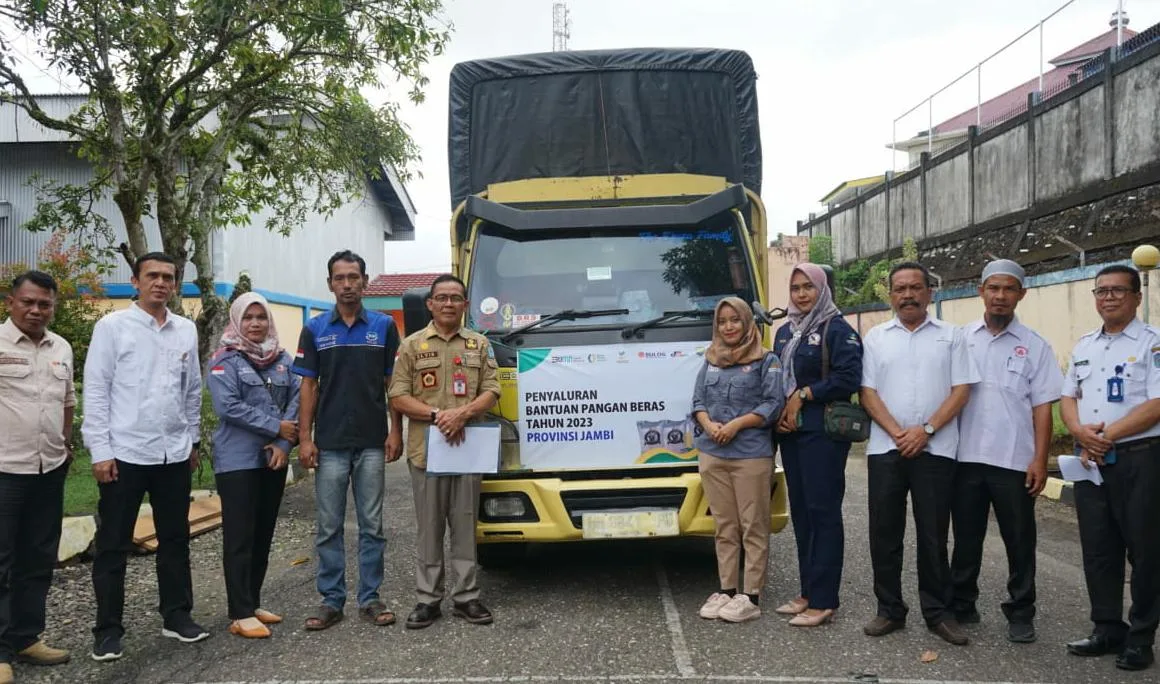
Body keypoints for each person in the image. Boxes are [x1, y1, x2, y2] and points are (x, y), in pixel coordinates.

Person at [82, 252, 208, 662]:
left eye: (167, 277)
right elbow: (97, 391)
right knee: (113, 545)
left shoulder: (185, 330)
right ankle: (108, 631)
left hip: (173, 454)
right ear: (135, 281)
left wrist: (192, 441)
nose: (160, 283)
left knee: (175, 540)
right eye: (151, 276)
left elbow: (191, 390)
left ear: (175, 284)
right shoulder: (113, 327)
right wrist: (100, 451)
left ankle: (176, 616)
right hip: (126, 454)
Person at [859, 261, 978, 646]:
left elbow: (962, 390)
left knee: (933, 534)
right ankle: (889, 610)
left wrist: (925, 431)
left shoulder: (952, 335)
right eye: (900, 289)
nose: (908, 295)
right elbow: (867, 392)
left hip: (936, 449)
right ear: (891, 295)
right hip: (885, 449)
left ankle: (938, 613)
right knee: (884, 533)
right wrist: (898, 433)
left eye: (915, 287)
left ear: (930, 291)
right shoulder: (875, 337)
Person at [950, 259, 1062, 644]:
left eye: (1008, 289)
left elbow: (1043, 406)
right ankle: (962, 603)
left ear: (1021, 294)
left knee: (1020, 540)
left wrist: (1039, 460)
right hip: (965, 458)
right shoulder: (961, 338)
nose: (1000, 296)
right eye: (993, 288)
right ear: (981, 291)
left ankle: (1021, 610)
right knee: (966, 537)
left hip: (1014, 460)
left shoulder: (1035, 346)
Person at [292, 250, 402, 631]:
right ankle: (331, 600)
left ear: (365, 281)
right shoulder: (316, 329)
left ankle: (370, 598)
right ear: (330, 284)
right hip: (331, 443)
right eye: (339, 278)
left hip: (372, 441)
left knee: (372, 526)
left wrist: (396, 430)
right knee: (328, 526)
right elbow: (308, 387)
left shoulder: (385, 327)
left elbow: (394, 385)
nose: (347, 284)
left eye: (354, 277)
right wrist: (305, 439)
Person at [1061, 264, 1160, 672]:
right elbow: (1068, 398)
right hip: (1092, 462)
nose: (1109, 297)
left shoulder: (1153, 343)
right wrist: (1081, 435)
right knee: (1099, 552)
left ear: (1136, 297)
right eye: (1101, 291)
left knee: (1146, 551)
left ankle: (1140, 638)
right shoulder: (1084, 345)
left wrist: (1106, 436)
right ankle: (1106, 628)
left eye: (1118, 291)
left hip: (1139, 459)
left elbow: (1156, 403)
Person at [388, 274, 501, 629]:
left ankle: (467, 597)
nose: (449, 303)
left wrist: (463, 414)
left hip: (468, 450)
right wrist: (439, 416)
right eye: (442, 298)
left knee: (465, 526)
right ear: (430, 304)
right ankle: (428, 600)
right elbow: (398, 395)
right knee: (429, 528)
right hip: (427, 452)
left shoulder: (480, 345)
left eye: (456, 298)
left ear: (465, 305)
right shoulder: (411, 346)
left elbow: (492, 389)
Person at [772, 264, 862, 627]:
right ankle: (808, 590)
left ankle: (824, 600)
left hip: (823, 432)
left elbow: (849, 377)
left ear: (822, 289)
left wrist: (805, 394)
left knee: (823, 512)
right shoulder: (784, 332)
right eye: (796, 288)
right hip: (790, 434)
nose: (802, 294)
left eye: (809, 287)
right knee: (803, 512)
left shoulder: (837, 329)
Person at [207, 293, 300, 639]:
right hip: (237, 461)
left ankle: (253, 600)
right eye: (248, 318)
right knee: (239, 536)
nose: (256, 323)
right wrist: (276, 427)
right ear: (236, 322)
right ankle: (239, 611)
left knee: (263, 533)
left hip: (271, 459)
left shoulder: (283, 359)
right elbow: (227, 406)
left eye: (261, 317)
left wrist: (283, 443)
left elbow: (297, 398)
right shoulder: (224, 361)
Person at [0, 272, 75, 683]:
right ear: (11, 301)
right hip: (5, 469)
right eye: (28, 302)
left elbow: (67, 401)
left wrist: (65, 446)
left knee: (38, 558)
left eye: (44, 304)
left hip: (48, 468)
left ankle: (27, 637)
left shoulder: (60, 347)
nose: (35, 310)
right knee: (1, 559)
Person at [692, 296, 784, 624]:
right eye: (722, 321)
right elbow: (697, 400)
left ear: (748, 323)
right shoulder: (711, 359)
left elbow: (773, 404)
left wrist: (735, 425)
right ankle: (728, 590)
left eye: (735, 320)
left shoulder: (766, 360)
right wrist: (708, 424)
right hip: (712, 452)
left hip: (750, 455)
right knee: (724, 526)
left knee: (753, 525)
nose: (728, 327)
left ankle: (752, 595)